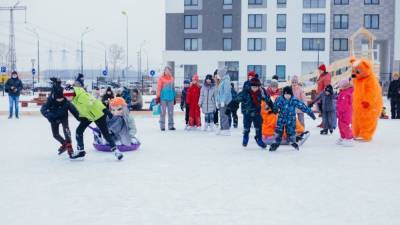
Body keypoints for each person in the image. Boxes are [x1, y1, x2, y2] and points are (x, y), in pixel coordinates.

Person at [63, 85, 124, 160]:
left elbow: (96, 102)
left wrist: (105, 110)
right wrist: (81, 117)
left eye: (69, 95)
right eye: (66, 95)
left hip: (98, 115)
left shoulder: (83, 96)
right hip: (87, 116)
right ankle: (80, 150)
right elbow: (82, 108)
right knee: (79, 131)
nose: (68, 97)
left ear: (73, 93)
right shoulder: (74, 99)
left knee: (105, 134)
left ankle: (116, 151)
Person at [41, 78, 80, 157]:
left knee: (66, 130)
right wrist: (49, 116)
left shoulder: (66, 100)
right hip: (53, 117)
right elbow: (43, 109)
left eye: (62, 98)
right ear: (55, 97)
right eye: (58, 99)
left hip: (63, 116)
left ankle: (69, 146)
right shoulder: (50, 100)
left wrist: (79, 118)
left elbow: (73, 110)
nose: (60, 100)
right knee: (55, 135)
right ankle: (64, 144)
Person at [270, 86, 316, 151]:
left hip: (291, 120)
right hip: (281, 119)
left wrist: (311, 113)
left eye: (288, 94)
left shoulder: (294, 100)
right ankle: (275, 144)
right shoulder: (280, 99)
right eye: (285, 94)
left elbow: (303, 106)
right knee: (278, 131)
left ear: (291, 94)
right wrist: (274, 110)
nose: (287, 96)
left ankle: (293, 142)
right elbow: (275, 105)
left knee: (291, 131)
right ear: (283, 94)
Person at [234, 77, 275, 149]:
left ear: (259, 86)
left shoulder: (262, 92)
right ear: (250, 86)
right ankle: (245, 137)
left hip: (257, 112)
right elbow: (236, 100)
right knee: (246, 127)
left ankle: (259, 139)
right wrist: (230, 108)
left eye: (256, 87)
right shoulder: (245, 92)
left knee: (258, 127)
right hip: (247, 113)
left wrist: (274, 108)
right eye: (253, 87)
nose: (255, 88)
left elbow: (268, 100)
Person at [156, 66, 176, 131]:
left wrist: (174, 97)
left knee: (171, 112)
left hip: (171, 98)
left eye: (168, 70)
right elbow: (159, 88)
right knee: (163, 112)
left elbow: (173, 88)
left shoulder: (172, 78)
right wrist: (158, 97)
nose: (167, 72)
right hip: (163, 98)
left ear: (170, 71)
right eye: (166, 70)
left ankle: (171, 126)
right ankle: (162, 126)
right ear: (164, 71)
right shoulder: (161, 78)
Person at [336, 79, 354, 147]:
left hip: (345, 113)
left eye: (340, 86)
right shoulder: (343, 92)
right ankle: (343, 137)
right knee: (340, 125)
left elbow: (344, 105)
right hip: (342, 113)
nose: (339, 87)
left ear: (344, 86)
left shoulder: (346, 94)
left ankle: (349, 138)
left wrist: (340, 110)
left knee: (344, 125)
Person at [215, 69, 232, 136]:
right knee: (221, 115)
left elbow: (226, 92)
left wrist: (223, 101)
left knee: (224, 115)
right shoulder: (222, 81)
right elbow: (218, 93)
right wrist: (217, 101)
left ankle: (226, 129)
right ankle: (222, 128)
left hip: (225, 102)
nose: (217, 76)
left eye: (218, 74)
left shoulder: (226, 81)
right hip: (220, 101)